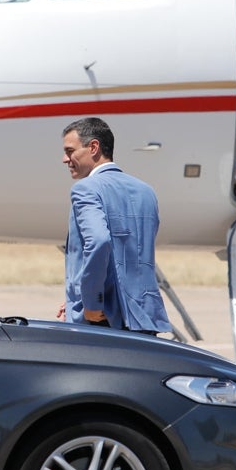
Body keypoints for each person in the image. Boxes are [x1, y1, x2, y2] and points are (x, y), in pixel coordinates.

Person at [58, 117, 172, 335]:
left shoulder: (86, 189)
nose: (65, 159)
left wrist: (90, 303)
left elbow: (99, 242)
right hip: (144, 317)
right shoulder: (145, 191)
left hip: (103, 322)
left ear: (93, 147)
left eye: (70, 151)